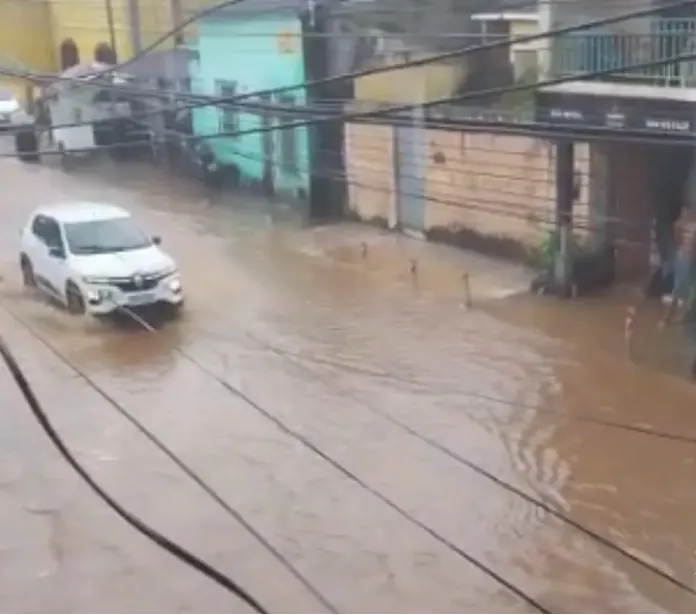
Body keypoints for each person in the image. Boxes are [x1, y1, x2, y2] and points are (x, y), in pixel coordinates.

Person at [659, 207, 696, 379]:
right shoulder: (685, 230)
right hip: (685, 264)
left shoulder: (689, 231)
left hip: (687, 265)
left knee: (688, 312)